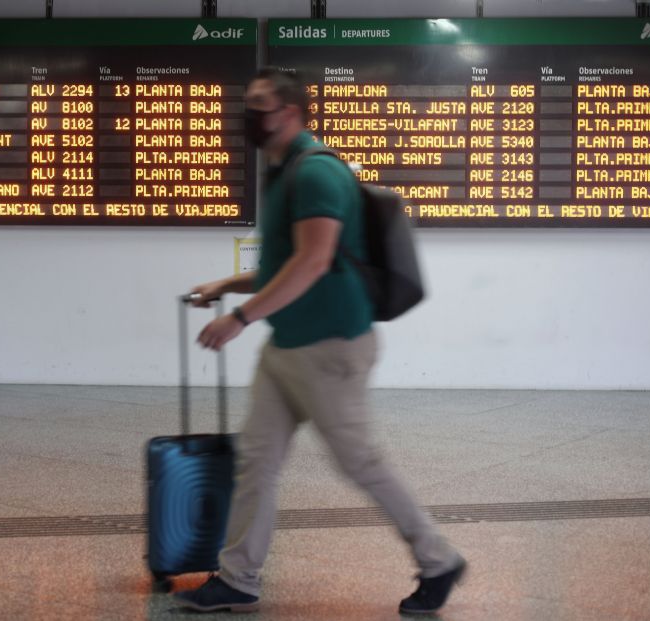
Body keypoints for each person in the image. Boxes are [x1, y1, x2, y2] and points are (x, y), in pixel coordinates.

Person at [173, 67, 466, 616]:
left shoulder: (316, 174)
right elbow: (287, 264)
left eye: (259, 105)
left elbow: (313, 261)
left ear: (290, 112)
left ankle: (438, 559)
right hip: (289, 347)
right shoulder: (285, 174)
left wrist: (240, 316)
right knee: (256, 461)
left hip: (330, 348)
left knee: (360, 462)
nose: (249, 115)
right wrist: (228, 283)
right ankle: (238, 579)